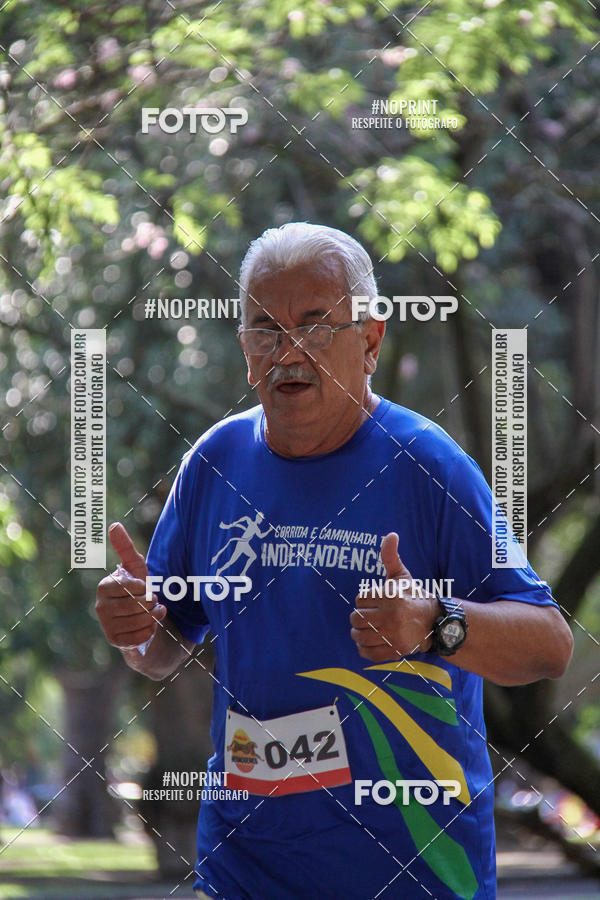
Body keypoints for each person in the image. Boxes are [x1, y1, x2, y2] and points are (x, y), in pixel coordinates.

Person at [96, 223, 573, 900]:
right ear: (244, 348)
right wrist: (136, 622)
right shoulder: (214, 462)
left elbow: (550, 644)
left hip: (411, 873)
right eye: (266, 328)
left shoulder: (428, 466)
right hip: (246, 866)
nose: (289, 350)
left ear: (371, 341)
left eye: (317, 326)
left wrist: (439, 623)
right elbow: (163, 645)